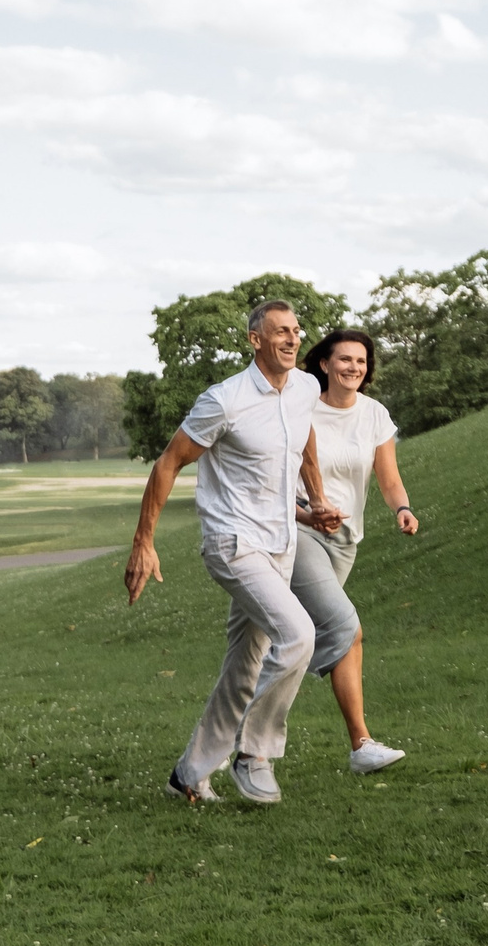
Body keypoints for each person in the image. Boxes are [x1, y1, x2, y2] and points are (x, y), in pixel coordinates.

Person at [125, 299, 343, 806]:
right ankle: (254, 752)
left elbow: (303, 438)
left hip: (280, 542)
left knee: (247, 664)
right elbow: (167, 464)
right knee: (298, 635)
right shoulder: (225, 400)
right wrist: (144, 543)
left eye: (296, 331)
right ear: (255, 341)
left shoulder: (306, 388)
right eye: (280, 332)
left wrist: (317, 498)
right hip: (232, 543)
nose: (292, 339)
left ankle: (188, 776)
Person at [293, 327, 419, 775]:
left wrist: (401, 508)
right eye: (344, 359)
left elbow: (387, 477)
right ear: (324, 364)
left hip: (345, 541)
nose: (354, 368)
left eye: (361, 361)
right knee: (346, 627)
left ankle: (243, 738)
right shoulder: (299, 408)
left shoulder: (374, 414)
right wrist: (305, 513)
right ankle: (361, 744)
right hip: (298, 529)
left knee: (282, 641)